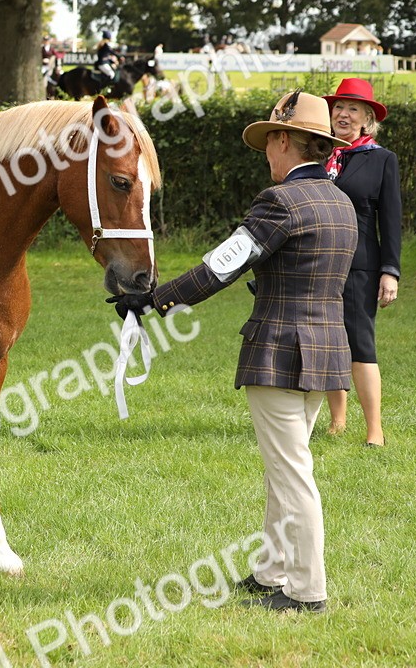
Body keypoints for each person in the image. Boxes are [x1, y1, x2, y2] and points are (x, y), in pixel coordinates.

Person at [110, 91, 356, 613]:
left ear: (284, 141)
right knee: (285, 468)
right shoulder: (342, 202)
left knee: (292, 475)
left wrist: (152, 298)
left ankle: (308, 591)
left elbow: (223, 266)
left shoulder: (280, 202)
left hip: (278, 351)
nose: (267, 152)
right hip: (328, 351)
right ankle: (271, 572)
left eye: (270, 141)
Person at [322, 78, 401, 446]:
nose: (343, 113)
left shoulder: (382, 159)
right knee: (327, 341)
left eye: (353, 108)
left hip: (361, 265)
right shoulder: (319, 154)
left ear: (367, 119)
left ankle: (375, 430)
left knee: (360, 343)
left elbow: (391, 220)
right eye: (339, 107)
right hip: (318, 262)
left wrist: (390, 270)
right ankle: (337, 422)